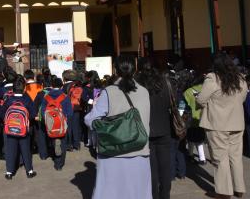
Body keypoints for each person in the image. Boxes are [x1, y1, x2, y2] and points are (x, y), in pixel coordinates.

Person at [85, 55, 152, 199]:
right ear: (134, 70)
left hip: (113, 153)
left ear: (116, 70)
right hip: (140, 151)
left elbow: (91, 120)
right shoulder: (144, 91)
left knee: (112, 193)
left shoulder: (109, 92)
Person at [196, 52, 248, 199]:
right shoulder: (240, 78)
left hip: (217, 124)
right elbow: (243, 98)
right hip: (237, 123)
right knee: (235, 157)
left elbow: (201, 100)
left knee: (220, 158)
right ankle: (239, 188)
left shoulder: (212, 78)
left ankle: (224, 192)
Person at [135, 57, 172, 199]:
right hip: (164, 128)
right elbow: (171, 102)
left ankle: (153, 195)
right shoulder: (165, 82)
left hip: (144, 130)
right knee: (165, 168)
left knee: (150, 169)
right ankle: (165, 196)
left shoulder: (137, 85)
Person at [0, 75, 37, 179]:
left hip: (10, 129)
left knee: (10, 150)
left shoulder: (9, 99)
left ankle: (9, 172)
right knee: (26, 150)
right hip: (24, 130)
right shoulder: (27, 99)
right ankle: (29, 171)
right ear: (24, 88)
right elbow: (33, 113)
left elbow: (2, 113)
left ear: (13, 88)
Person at [40, 76, 72, 170]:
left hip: (51, 123)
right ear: (61, 86)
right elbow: (69, 113)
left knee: (53, 140)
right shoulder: (65, 97)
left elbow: (43, 111)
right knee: (63, 143)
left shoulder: (47, 97)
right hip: (62, 123)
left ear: (52, 86)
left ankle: (55, 153)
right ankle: (59, 165)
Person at [62, 70, 89, 151]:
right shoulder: (78, 85)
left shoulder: (64, 86)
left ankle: (69, 144)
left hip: (67, 108)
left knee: (68, 126)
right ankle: (77, 144)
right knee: (76, 126)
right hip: (77, 108)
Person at [184, 75, 207, 165]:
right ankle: (202, 158)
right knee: (200, 139)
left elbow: (185, 105)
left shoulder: (187, 92)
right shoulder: (205, 91)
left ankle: (190, 155)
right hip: (202, 118)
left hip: (191, 119)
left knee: (190, 138)